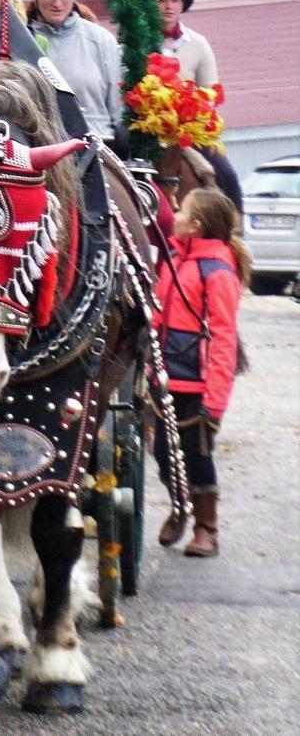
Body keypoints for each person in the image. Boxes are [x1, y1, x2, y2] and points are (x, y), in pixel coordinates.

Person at [152, 187, 249, 558]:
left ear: (196, 225)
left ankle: (206, 528)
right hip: (165, 375)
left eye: (182, 211)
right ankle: (180, 505)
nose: (173, 213)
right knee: (163, 451)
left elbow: (224, 338)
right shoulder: (174, 258)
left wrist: (215, 401)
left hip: (197, 381)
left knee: (197, 454)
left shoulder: (218, 272)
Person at [152, 0, 241, 210]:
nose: (168, 6)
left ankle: (233, 231)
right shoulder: (135, 42)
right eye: (161, 0)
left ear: (182, 6)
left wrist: (189, 119)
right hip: (147, 131)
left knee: (226, 174)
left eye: (174, 0)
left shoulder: (198, 43)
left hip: (187, 132)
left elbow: (210, 90)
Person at [24, 0, 122, 141]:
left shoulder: (102, 41)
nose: (58, 4)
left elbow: (118, 110)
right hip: (39, 147)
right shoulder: (22, 41)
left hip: (96, 143)